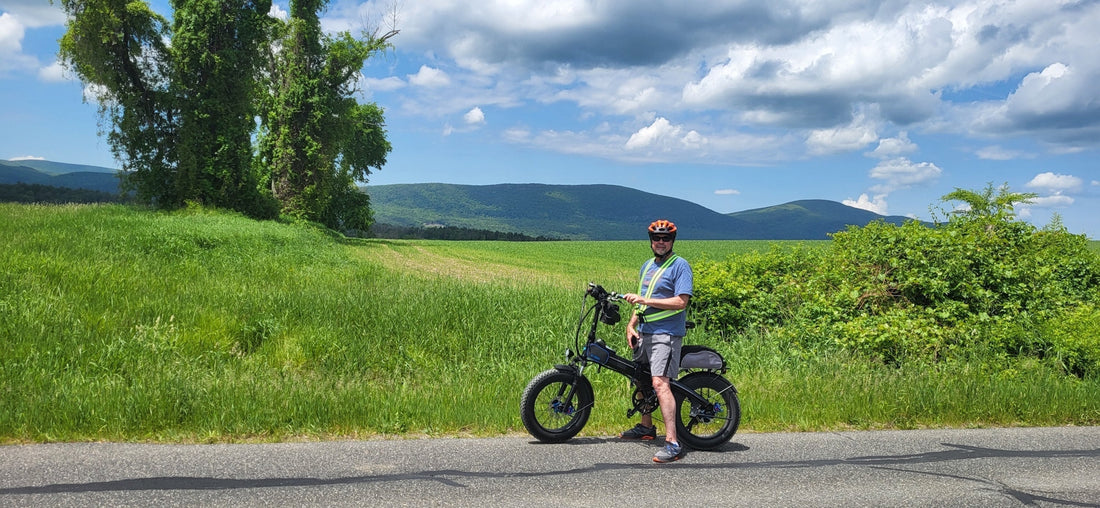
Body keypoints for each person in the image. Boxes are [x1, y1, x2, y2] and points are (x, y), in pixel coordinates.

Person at [619, 219, 693, 463]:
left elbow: (681, 302)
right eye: (656, 238)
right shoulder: (647, 266)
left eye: (666, 238)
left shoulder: (680, 266)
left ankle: (672, 442)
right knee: (640, 378)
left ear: (672, 241)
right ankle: (646, 427)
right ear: (650, 240)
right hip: (645, 331)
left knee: (660, 383)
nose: (661, 242)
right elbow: (643, 298)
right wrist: (631, 324)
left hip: (666, 333)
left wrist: (645, 302)